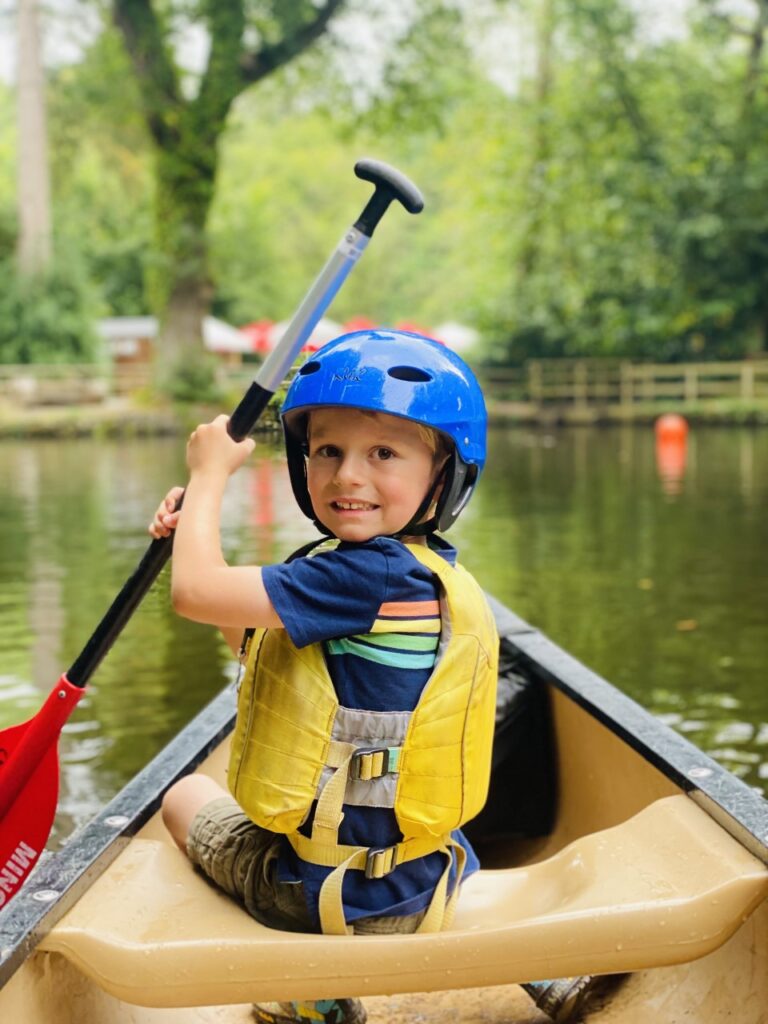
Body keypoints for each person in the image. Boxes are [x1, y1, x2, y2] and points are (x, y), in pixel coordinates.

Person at [150, 330, 499, 1024]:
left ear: (443, 474)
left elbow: (194, 594)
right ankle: (542, 980)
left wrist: (211, 474)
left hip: (325, 894)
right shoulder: (420, 571)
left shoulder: (352, 576)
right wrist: (193, 534)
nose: (347, 476)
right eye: (328, 450)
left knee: (184, 796)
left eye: (383, 454)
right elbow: (253, 648)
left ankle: (316, 998)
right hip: (429, 876)